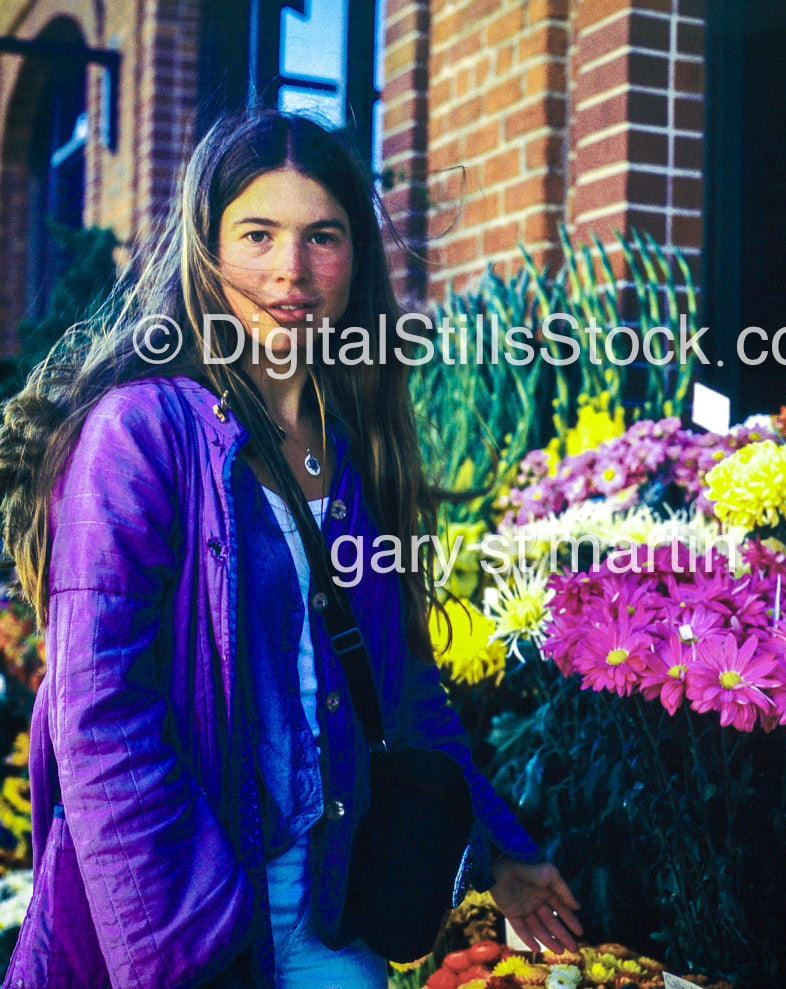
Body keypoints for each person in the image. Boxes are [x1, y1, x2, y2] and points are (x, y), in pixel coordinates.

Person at [0, 109, 581, 989]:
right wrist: (192, 950)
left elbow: (404, 688)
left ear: (355, 261)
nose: (291, 271)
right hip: (187, 937)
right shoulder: (138, 435)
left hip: (333, 923)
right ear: (206, 249)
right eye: (258, 234)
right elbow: (102, 719)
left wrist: (500, 847)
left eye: (324, 237)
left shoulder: (355, 452)